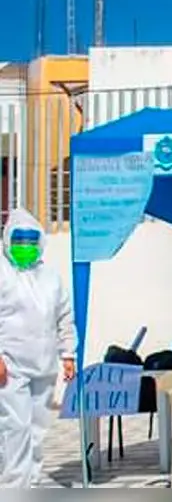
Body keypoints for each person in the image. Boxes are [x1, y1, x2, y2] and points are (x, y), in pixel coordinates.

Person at [0, 208, 77, 488]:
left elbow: (64, 316)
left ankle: (31, 482)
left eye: (30, 240)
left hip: (44, 365)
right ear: (7, 240)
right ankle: (13, 485)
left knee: (37, 428)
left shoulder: (50, 278)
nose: (25, 246)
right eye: (19, 240)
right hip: (10, 365)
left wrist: (68, 354)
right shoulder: (2, 273)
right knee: (16, 426)